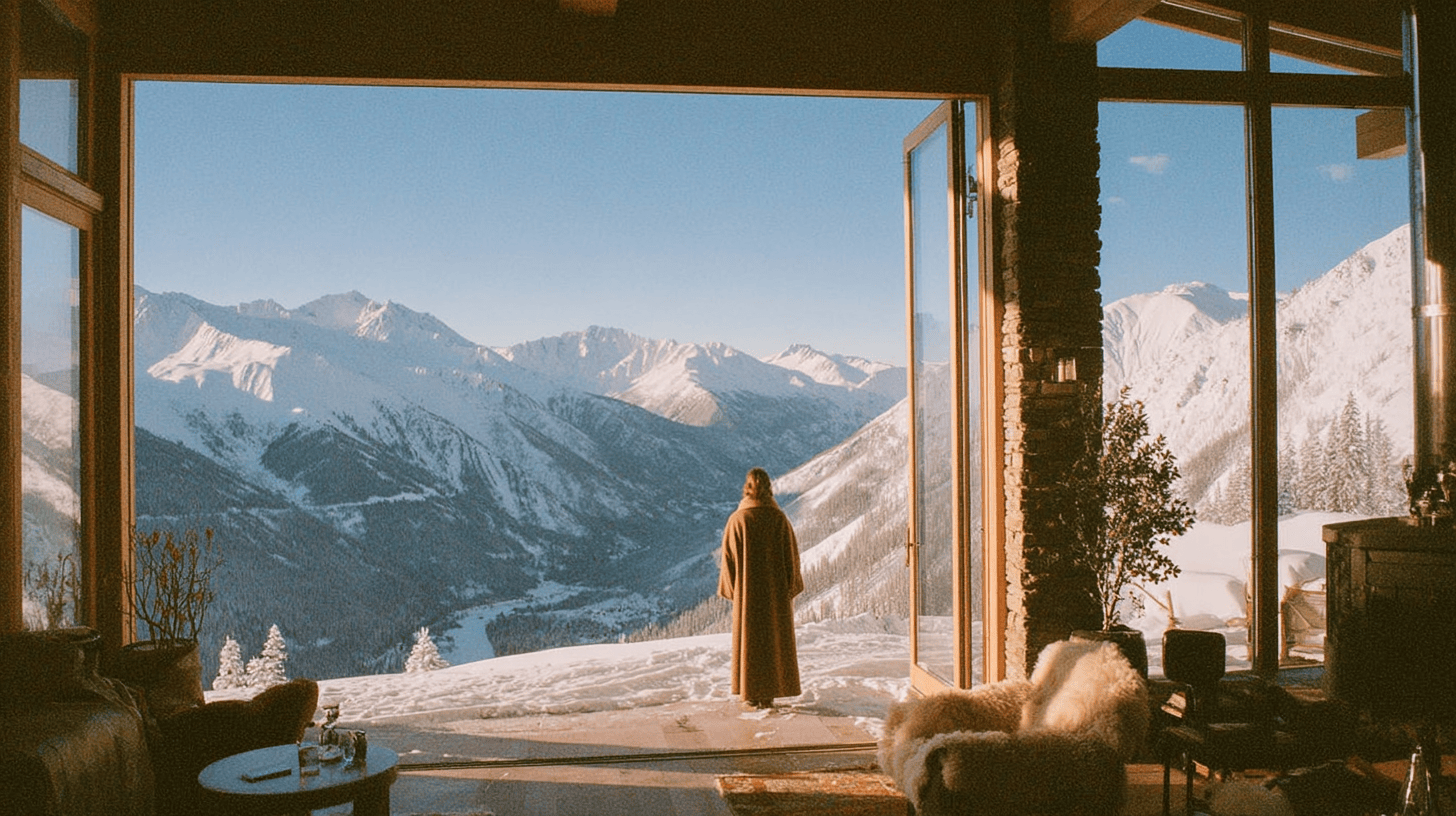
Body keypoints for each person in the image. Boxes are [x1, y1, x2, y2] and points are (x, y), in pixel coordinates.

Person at [717, 467, 804, 710]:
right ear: (769, 489)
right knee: (773, 641)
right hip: (775, 598)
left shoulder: (737, 520)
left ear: (746, 489)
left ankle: (750, 691)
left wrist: (736, 592)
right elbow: (792, 560)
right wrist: (787, 589)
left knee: (749, 641)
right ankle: (770, 693)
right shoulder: (779, 519)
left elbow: (728, 562)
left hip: (747, 598)